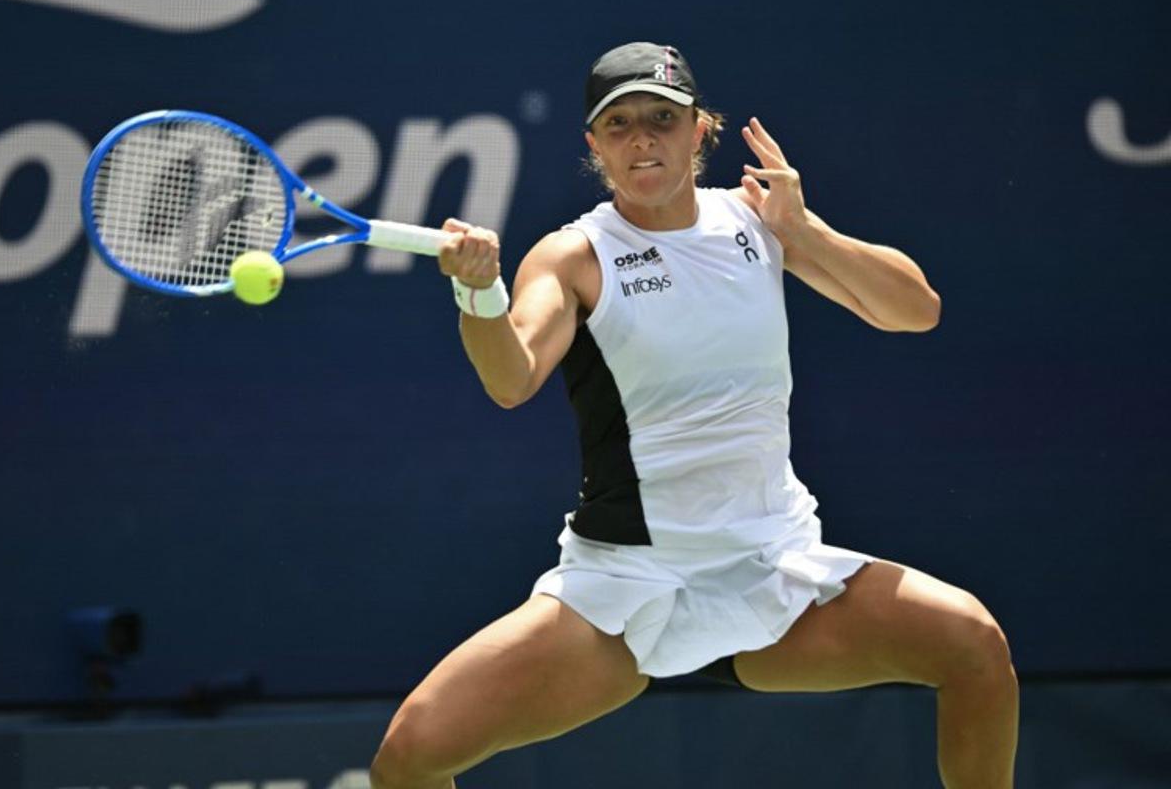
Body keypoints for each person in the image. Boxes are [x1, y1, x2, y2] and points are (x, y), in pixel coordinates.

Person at [370, 42, 1018, 789]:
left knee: (973, 645)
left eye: (662, 118)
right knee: (409, 758)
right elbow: (510, 379)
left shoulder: (758, 222)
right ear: (594, 145)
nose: (642, 139)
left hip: (771, 567)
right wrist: (478, 294)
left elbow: (915, 310)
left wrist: (804, 230)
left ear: (699, 130)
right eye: (619, 124)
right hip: (624, 587)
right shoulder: (574, 256)